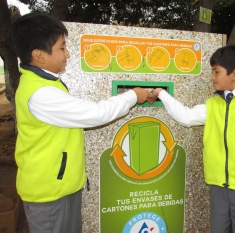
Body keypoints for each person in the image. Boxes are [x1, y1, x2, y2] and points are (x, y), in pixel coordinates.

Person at [9, 12, 149, 233]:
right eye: (62, 47)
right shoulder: (41, 93)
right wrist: (133, 96)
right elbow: (96, 114)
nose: (67, 53)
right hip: (49, 194)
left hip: (62, 186)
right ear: (39, 55)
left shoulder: (44, 83)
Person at [147, 45, 235, 233]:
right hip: (218, 189)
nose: (212, 77)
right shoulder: (213, 104)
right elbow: (186, 117)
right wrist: (161, 94)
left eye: (216, 72)